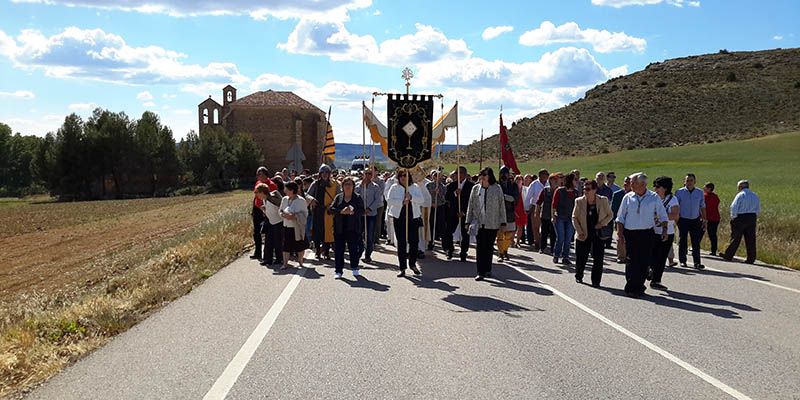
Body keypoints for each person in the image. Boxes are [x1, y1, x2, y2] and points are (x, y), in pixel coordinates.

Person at [615, 173, 668, 297]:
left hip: (646, 233)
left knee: (643, 261)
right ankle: (630, 287)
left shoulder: (653, 197)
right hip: (630, 233)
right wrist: (619, 233)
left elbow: (663, 215)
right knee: (632, 260)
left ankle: (640, 287)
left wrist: (665, 230)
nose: (630, 185)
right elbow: (620, 217)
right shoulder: (628, 197)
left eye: (633, 183)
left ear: (643, 184)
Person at [466, 167, 507, 281]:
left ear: (490, 176)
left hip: (492, 223)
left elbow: (501, 206)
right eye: (481, 174)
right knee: (480, 247)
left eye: (485, 174)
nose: (482, 177)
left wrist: (503, 221)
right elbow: (471, 205)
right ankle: (480, 271)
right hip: (479, 223)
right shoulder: (475, 189)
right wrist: (468, 221)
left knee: (488, 247)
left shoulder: (497, 188)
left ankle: (488, 269)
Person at [572, 179, 613, 287]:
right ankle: (579, 275)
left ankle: (596, 281)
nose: (585, 191)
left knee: (598, 259)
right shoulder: (579, 201)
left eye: (588, 189)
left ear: (595, 190)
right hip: (583, 234)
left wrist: (602, 223)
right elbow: (574, 217)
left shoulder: (603, 200)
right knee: (581, 257)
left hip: (598, 234)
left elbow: (610, 215)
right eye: (584, 188)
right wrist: (579, 231)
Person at [387, 169, 424, 277]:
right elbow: (389, 201)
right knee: (402, 243)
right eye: (401, 176)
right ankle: (402, 267)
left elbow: (421, 200)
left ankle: (412, 264)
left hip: (413, 218)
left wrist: (411, 198)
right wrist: (401, 202)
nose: (403, 177)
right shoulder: (394, 187)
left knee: (414, 242)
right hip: (399, 218)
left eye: (405, 175)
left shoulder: (415, 187)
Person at [329, 177, 365, 279]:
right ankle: (338, 270)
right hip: (339, 228)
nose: (348, 186)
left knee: (353, 249)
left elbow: (362, 211)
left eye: (350, 184)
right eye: (346, 184)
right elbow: (331, 209)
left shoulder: (357, 198)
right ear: (342, 186)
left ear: (353, 186)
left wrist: (352, 212)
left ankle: (354, 267)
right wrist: (341, 211)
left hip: (353, 228)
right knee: (339, 250)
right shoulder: (338, 197)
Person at [649, 176, 679, 291]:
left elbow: (675, 215)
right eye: (654, 186)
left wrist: (660, 216)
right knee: (650, 254)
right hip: (651, 230)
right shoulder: (652, 198)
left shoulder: (672, 199)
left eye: (658, 186)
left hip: (667, 232)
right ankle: (650, 270)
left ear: (665, 188)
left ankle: (656, 280)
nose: (655, 188)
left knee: (661, 258)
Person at [722, 180, 761, 264]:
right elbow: (758, 208)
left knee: (736, 237)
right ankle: (751, 258)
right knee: (751, 239)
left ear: (740, 187)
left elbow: (734, 206)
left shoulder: (740, 195)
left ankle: (729, 255)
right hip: (752, 217)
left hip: (741, 217)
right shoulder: (755, 195)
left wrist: (733, 217)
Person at [675, 173, 707, 269]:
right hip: (683, 219)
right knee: (683, 241)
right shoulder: (679, 192)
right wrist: (677, 220)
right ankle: (683, 261)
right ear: (684, 182)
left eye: (691, 180)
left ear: (695, 182)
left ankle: (697, 262)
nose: (689, 182)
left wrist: (705, 219)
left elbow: (702, 206)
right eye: (687, 180)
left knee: (696, 242)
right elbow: (676, 207)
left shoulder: (699, 192)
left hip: (695, 220)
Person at [308, 165, 340, 260]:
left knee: (328, 232)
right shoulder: (315, 184)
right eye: (323, 172)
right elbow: (307, 194)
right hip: (318, 211)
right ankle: (318, 251)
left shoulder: (335, 184)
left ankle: (326, 252)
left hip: (329, 211)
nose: (325, 174)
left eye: (327, 172)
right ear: (320, 174)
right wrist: (312, 200)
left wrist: (333, 205)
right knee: (317, 232)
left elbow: (339, 196)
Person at [443, 166, 474, 261]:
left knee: (465, 234)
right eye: (456, 173)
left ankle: (463, 252)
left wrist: (464, 212)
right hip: (453, 213)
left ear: (464, 174)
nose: (457, 175)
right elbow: (447, 197)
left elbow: (471, 201)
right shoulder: (452, 185)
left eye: (459, 173)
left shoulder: (471, 186)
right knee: (448, 231)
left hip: (465, 213)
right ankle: (449, 250)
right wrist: (455, 193)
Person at [279, 181, 310, 270]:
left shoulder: (301, 200)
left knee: (300, 246)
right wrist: (283, 215)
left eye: (287, 189)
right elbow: (280, 210)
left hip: (297, 227)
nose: (285, 191)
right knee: (286, 246)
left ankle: (300, 262)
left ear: (292, 190)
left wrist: (295, 216)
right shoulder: (284, 199)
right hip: (286, 225)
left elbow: (305, 214)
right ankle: (285, 264)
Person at [356, 167, 381, 263]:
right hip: (360, 215)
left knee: (369, 236)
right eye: (366, 173)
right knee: (358, 234)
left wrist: (369, 208)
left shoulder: (375, 187)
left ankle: (368, 255)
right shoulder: (358, 185)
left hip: (371, 215)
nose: (368, 175)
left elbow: (377, 200)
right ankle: (359, 252)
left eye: (370, 174)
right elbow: (355, 196)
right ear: (363, 174)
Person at [552, 173, 578, 265]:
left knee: (568, 239)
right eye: (575, 180)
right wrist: (553, 216)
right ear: (570, 181)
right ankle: (556, 255)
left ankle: (565, 257)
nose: (577, 181)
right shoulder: (559, 191)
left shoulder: (576, 192)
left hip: (571, 218)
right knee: (561, 238)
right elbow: (554, 205)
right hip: (560, 217)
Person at [251, 167, 277, 260]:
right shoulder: (258, 183)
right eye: (257, 174)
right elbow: (256, 196)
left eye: (260, 174)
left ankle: (269, 253)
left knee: (268, 232)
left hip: (267, 210)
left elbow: (273, 199)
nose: (258, 176)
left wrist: (265, 209)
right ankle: (257, 253)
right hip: (257, 210)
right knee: (256, 232)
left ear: (265, 175)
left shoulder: (272, 185)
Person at [260, 180, 285, 266]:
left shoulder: (272, 198)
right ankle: (268, 259)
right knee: (268, 241)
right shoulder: (265, 200)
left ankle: (279, 259)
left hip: (278, 222)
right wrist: (264, 210)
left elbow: (280, 206)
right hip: (270, 221)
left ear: (262, 192)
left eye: (258, 193)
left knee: (278, 241)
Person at [496, 166, 519, 260]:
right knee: (500, 234)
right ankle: (500, 253)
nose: (504, 175)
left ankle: (505, 250)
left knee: (509, 234)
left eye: (505, 173)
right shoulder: (496, 185)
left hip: (509, 212)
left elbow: (515, 198)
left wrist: (504, 196)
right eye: (502, 173)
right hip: (498, 212)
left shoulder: (513, 185)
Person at [536, 173, 560, 255]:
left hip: (555, 215)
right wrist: (537, 212)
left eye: (555, 180)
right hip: (545, 215)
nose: (553, 181)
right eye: (552, 179)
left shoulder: (559, 191)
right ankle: (542, 248)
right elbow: (539, 202)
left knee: (554, 233)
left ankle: (553, 249)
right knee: (544, 232)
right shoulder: (545, 190)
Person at [525, 169, 548, 250]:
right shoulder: (534, 184)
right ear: (540, 175)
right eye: (543, 174)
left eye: (546, 174)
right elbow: (528, 197)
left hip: (547, 207)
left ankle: (543, 242)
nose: (545, 176)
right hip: (536, 207)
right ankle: (537, 242)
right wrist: (527, 208)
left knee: (545, 226)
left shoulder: (549, 183)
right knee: (536, 226)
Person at [611, 175, 632, 263]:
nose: (625, 184)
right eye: (625, 182)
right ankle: (621, 256)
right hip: (620, 220)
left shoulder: (635, 195)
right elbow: (613, 208)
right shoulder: (617, 194)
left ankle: (629, 255)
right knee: (620, 238)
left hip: (631, 221)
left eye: (627, 182)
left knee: (630, 238)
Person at [426, 169, 448, 251]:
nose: (438, 178)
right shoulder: (428, 185)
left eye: (439, 176)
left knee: (442, 226)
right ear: (433, 177)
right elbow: (426, 197)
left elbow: (444, 199)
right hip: (431, 207)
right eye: (436, 176)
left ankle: (445, 246)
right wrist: (431, 203)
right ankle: (430, 243)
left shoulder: (443, 186)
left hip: (440, 207)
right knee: (431, 225)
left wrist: (439, 193)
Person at [596, 172, 615, 249]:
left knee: (607, 228)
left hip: (605, 211)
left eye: (602, 177)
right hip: (595, 212)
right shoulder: (593, 188)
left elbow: (610, 201)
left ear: (604, 179)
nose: (600, 178)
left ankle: (608, 243)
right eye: (599, 176)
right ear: (596, 178)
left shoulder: (608, 190)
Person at [703, 182, 721, 256]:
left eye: (705, 187)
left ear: (709, 188)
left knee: (699, 233)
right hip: (715, 218)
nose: (703, 188)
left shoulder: (705, 196)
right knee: (713, 235)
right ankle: (714, 250)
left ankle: (695, 247)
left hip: (708, 218)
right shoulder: (715, 196)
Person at [513, 175, 527, 248]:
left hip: (522, 209)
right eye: (517, 179)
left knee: (520, 226)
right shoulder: (512, 188)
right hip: (514, 209)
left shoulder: (525, 189)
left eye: (520, 179)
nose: (519, 180)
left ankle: (518, 241)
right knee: (513, 226)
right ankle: (511, 240)